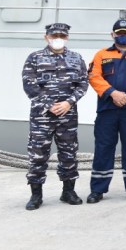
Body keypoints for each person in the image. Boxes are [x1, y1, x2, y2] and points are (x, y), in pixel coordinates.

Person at [22, 23, 89, 210]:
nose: (58, 38)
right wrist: (49, 105)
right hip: (42, 117)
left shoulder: (76, 58)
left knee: (69, 154)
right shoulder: (35, 58)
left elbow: (83, 83)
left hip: (67, 116)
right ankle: (36, 195)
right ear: (46, 37)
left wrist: (69, 102)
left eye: (61, 35)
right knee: (38, 155)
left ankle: (68, 191)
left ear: (67, 38)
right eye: (54, 35)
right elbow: (29, 85)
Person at [87, 19, 126, 203]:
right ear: (112, 35)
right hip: (107, 110)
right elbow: (93, 76)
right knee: (103, 148)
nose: (123, 36)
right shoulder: (101, 55)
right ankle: (97, 189)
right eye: (119, 33)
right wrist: (112, 93)